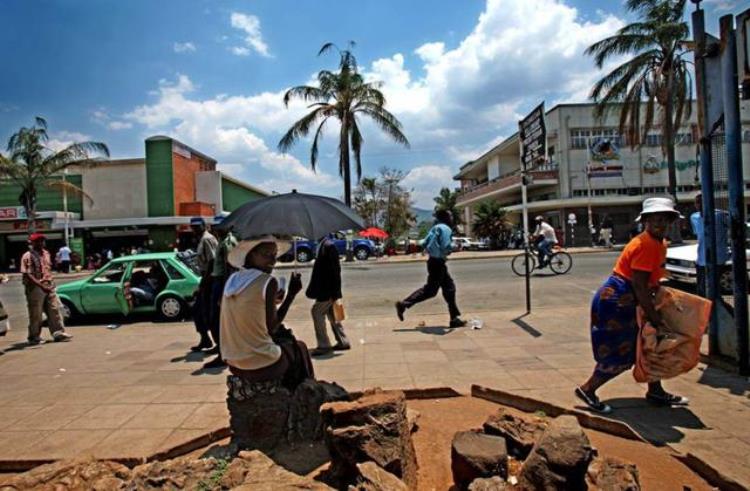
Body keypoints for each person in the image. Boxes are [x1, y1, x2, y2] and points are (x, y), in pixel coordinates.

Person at [575, 197, 689, 414]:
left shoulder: (658, 243)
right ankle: (587, 389)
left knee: (647, 345)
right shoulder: (645, 245)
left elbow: (648, 281)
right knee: (623, 350)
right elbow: (639, 285)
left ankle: (655, 390)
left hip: (628, 298)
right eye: (655, 219)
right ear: (645, 221)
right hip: (619, 301)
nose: (660, 224)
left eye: (664, 219)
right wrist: (654, 317)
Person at [220, 236, 314, 391]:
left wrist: (271, 302)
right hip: (262, 362)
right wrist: (291, 295)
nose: (272, 260)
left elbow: (247, 310)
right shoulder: (267, 281)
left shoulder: (232, 280)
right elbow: (273, 327)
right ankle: (303, 396)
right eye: (266, 254)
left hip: (232, 360)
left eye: (274, 254)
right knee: (300, 348)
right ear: (250, 255)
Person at [395, 209, 466, 328]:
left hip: (434, 262)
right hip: (438, 263)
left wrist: (417, 244)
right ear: (446, 218)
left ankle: (454, 319)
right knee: (431, 291)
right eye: (451, 216)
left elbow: (424, 243)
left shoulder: (435, 228)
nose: (452, 218)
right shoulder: (446, 229)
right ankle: (403, 304)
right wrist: (455, 247)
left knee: (450, 289)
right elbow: (445, 246)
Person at [21, 233, 72, 345]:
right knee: (36, 314)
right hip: (35, 288)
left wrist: (50, 283)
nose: (40, 243)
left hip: (49, 286)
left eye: (42, 240)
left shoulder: (46, 253)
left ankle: (58, 333)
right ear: (32, 243)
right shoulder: (28, 256)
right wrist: (41, 285)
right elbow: (27, 274)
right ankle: (34, 336)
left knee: (55, 310)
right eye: (38, 241)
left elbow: (47, 269)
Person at [306, 234, 351, 357]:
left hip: (327, 291)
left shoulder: (328, 247)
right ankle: (342, 341)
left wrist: (336, 293)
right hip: (325, 290)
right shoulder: (322, 246)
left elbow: (335, 271)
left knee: (317, 312)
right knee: (332, 314)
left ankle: (324, 345)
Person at [203, 217, 238, 369]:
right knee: (215, 320)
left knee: (216, 320)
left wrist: (224, 292)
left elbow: (229, 268)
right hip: (218, 282)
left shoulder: (227, 243)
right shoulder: (223, 240)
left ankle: (223, 354)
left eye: (218, 226)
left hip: (221, 283)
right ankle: (221, 349)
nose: (215, 229)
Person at [690, 193, 730, 298]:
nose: (699, 205)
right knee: (701, 289)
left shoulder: (720, 215)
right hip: (701, 258)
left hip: (717, 257)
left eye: (701, 202)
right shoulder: (694, 217)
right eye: (697, 202)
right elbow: (698, 236)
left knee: (713, 288)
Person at [190, 217, 219, 352]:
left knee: (208, 313)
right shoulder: (201, 239)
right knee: (198, 311)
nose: (195, 229)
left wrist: (204, 283)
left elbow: (212, 262)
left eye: (197, 226)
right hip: (206, 278)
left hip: (210, 279)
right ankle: (205, 339)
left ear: (204, 226)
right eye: (193, 226)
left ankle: (215, 343)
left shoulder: (207, 239)